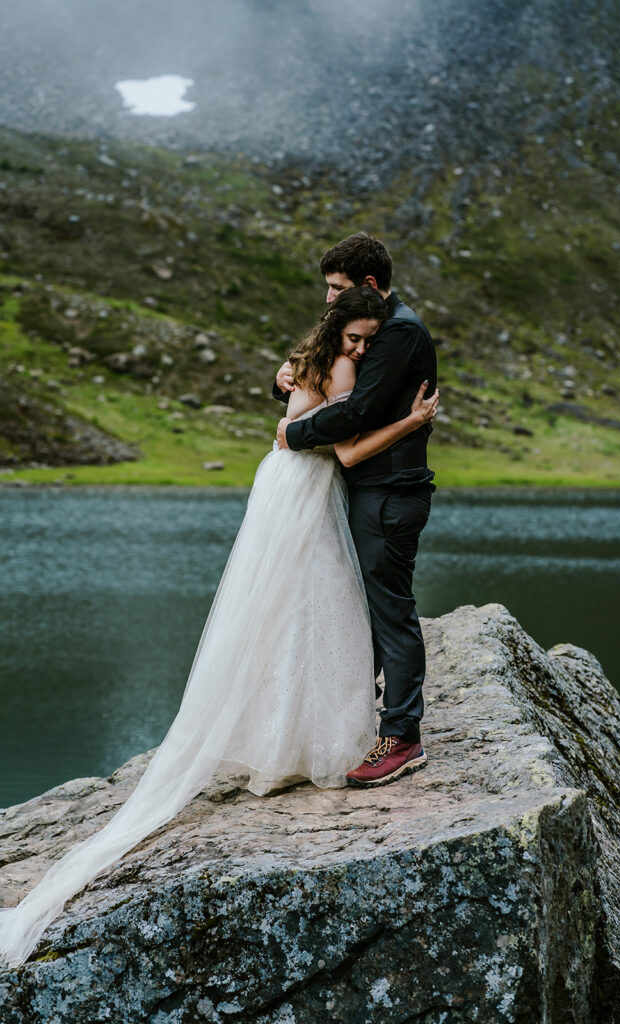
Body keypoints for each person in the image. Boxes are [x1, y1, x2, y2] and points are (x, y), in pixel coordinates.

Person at [0, 286, 438, 970]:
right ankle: (307, 736)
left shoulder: (306, 360)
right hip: (304, 490)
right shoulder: (343, 367)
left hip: (284, 486)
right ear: (339, 332)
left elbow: (296, 417)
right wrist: (412, 423)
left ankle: (285, 735)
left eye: (365, 338)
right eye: (353, 337)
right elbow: (346, 451)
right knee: (310, 612)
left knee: (291, 611)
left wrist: (290, 402)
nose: (360, 348)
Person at [275, 233, 437, 788]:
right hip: (369, 487)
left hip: (390, 490)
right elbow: (336, 390)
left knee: (390, 609)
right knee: (360, 607)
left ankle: (403, 736)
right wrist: (285, 387)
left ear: (368, 285)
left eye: (336, 288)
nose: (327, 300)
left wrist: (292, 434)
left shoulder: (399, 331)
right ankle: (353, 724)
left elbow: (357, 411)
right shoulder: (370, 328)